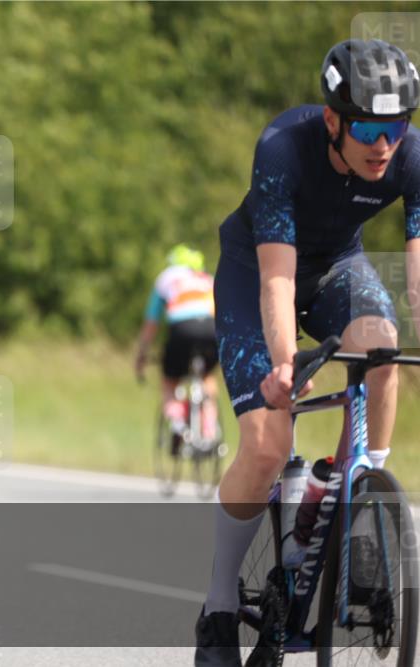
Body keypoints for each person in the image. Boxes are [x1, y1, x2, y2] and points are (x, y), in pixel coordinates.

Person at [195, 40, 420, 666]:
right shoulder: (281, 150)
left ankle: (357, 497)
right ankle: (216, 610)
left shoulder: (411, 158)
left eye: (396, 127)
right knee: (267, 445)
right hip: (255, 272)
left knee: (384, 350)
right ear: (333, 120)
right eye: (369, 129)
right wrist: (285, 364)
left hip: (336, 269)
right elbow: (276, 280)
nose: (384, 145)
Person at [135, 245, 218, 444]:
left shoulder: (166, 278)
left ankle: (178, 424)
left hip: (182, 330)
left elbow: (151, 323)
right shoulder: (207, 279)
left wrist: (141, 355)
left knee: (169, 380)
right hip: (212, 330)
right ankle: (209, 431)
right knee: (207, 377)